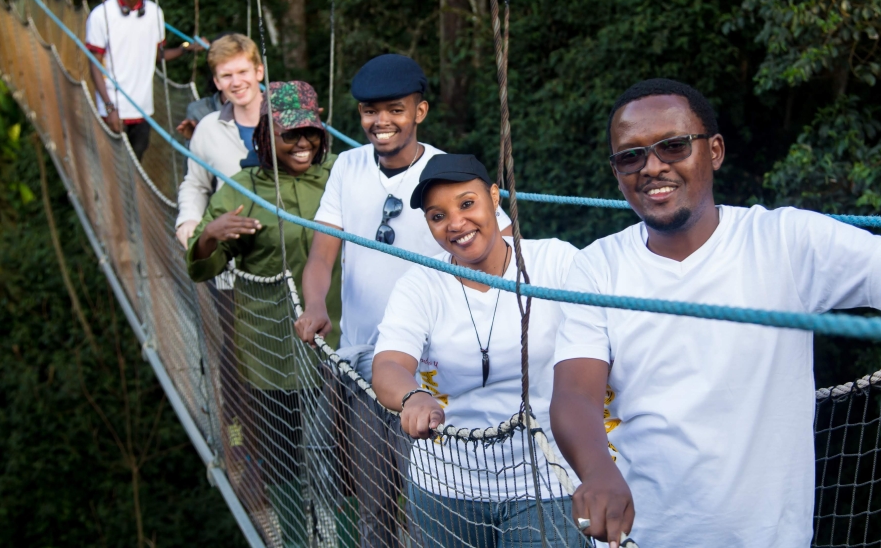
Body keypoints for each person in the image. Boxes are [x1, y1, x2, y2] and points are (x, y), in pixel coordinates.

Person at [549, 78, 881, 548]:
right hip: (642, 536)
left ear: (715, 151)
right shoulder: (597, 267)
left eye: (674, 146)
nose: (652, 166)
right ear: (617, 172)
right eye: (630, 157)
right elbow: (574, 393)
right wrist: (597, 473)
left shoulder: (786, 241)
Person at [292, 53, 511, 548]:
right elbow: (322, 255)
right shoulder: (346, 167)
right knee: (374, 506)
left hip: (432, 370)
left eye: (395, 109)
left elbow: (501, 251)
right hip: (363, 365)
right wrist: (316, 305)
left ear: (420, 112)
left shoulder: (445, 174)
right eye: (371, 111)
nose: (381, 122)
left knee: (430, 504)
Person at [372, 154, 585, 548]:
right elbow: (388, 364)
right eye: (437, 216)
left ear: (493, 197)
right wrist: (412, 395)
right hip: (445, 485)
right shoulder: (421, 283)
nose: (455, 223)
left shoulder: (555, 261)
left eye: (467, 204)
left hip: (544, 478)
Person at [186, 80, 341, 548]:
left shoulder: (343, 173)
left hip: (339, 341)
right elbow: (204, 265)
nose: (303, 144)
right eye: (290, 134)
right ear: (263, 139)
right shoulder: (244, 188)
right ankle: (296, 539)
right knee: (284, 457)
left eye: (311, 133)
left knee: (345, 456)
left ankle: (349, 537)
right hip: (271, 347)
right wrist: (210, 234)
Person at [85, 0, 199, 160]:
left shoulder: (154, 14)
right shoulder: (101, 15)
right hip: (112, 108)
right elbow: (94, 63)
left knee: (137, 164)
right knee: (111, 165)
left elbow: (158, 55)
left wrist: (186, 48)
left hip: (142, 109)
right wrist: (110, 108)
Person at [175, 33, 265, 247]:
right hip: (231, 252)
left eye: (243, 72)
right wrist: (189, 218)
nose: (236, 83)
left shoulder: (288, 121)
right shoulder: (207, 127)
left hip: (289, 250)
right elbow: (196, 183)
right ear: (216, 82)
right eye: (226, 76)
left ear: (259, 71)